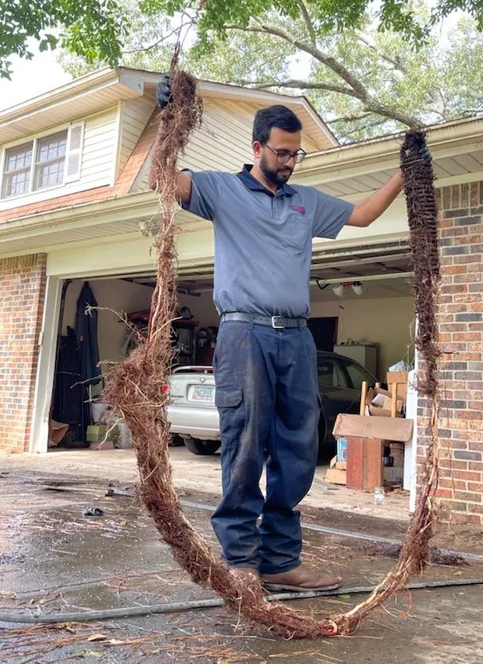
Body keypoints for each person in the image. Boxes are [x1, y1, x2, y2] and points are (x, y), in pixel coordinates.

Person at [156, 75, 431, 592]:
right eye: (282, 153)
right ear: (257, 147)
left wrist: (405, 171)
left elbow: (366, 216)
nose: (288, 162)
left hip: (298, 338)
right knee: (244, 443)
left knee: (298, 448)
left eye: (295, 155)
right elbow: (165, 179)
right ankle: (240, 559)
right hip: (245, 334)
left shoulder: (305, 201)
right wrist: (166, 124)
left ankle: (280, 560)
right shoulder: (221, 190)